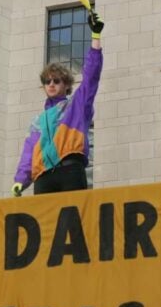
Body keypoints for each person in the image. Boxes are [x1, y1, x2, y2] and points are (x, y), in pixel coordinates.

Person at [12, 11, 104, 196]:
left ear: (67, 84)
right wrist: (20, 181)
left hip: (70, 170)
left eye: (56, 80)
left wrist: (95, 38)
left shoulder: (76, 105)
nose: (51, 84)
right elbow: (29, 153)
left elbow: (91, 76)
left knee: (73, 221)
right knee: (45, 224)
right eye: (47, 81)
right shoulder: (37, 121)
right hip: (43, 177)